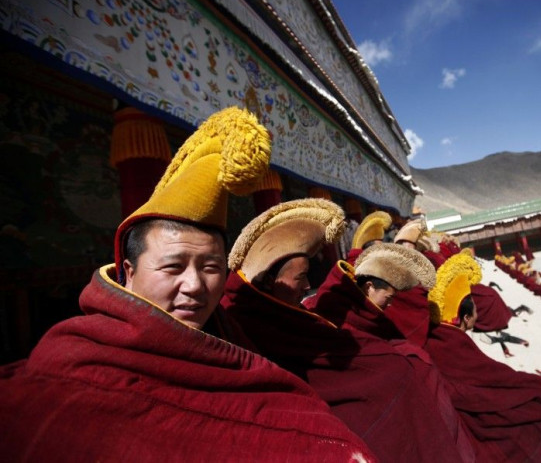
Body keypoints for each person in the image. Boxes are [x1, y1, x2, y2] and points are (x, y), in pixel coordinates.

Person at [0, 107, 374, 461]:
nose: (195, 286)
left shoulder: (230, 337)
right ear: (128, 271)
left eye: (211, 267)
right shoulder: (66, 378)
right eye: (173, 267)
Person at [223, 200, 474, 462]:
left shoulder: (289, 310)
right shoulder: (248, 320)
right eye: (300, 278)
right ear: (266, 280)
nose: (308, 285)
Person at [421, 253, 541, 462]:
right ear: (466, 318)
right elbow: (490, 381)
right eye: (475, 309)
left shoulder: (440, 336)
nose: (478, 313)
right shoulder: (454, 344)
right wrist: (534, 385)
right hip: (480, 420)